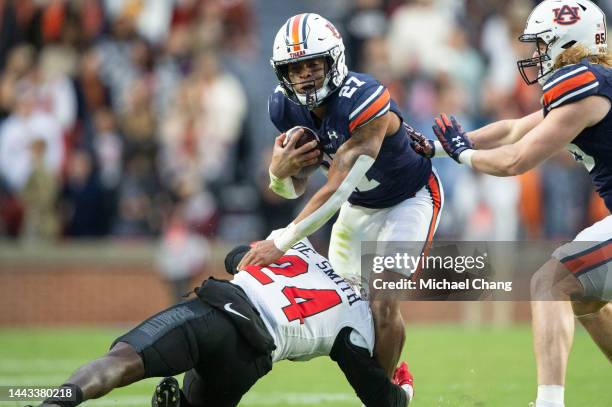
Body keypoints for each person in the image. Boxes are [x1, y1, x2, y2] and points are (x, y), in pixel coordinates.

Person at [412, 1, 611, 406]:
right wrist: (437, 148)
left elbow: (515, 160)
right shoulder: (593, 80)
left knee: (549, 281)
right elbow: (513, 128)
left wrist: (462, 156)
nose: (535, 54)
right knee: (585, 298)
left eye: (541, 44)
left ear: (565, 42)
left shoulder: (585, 87)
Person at [237, 13, 443, 376]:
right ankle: (394, 377)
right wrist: (279, 172)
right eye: (295, 67)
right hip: (359, 206)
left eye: (314, 63)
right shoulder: (284, 107)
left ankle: (383, 395)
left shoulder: (363, 99)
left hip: (408, 199)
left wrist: (281, 242)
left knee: (382, 303)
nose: (305, 74)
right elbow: (292, 189)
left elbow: (337, 187)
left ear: (334, 59)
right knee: (347, 312)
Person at [37, 232, 414, 407]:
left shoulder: (297, 244)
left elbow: (236, 256)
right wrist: (404, 389)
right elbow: (383, 401)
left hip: (219, 310)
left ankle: (51, 404)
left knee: (121, 362)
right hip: (252, 359)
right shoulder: (361, 319)